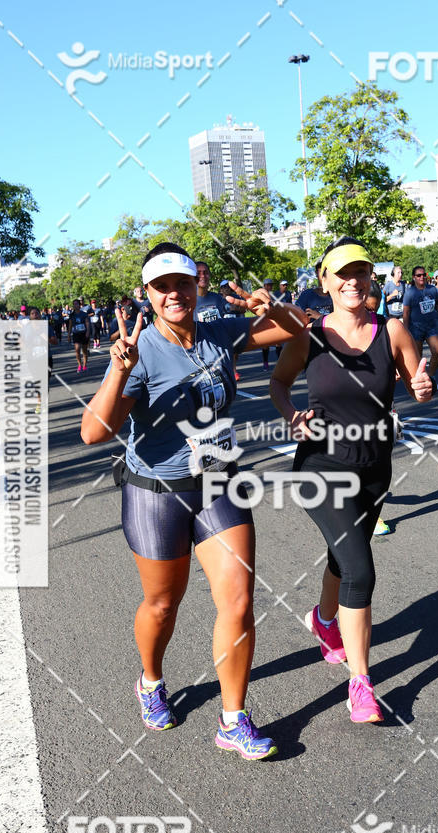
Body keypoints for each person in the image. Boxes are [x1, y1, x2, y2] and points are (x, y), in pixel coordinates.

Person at [80, 242, 308, 758]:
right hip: (156, 493)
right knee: (163, 604)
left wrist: (271, 307)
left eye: (182, 282)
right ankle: (151, 680)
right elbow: (93, 434)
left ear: (195, 284)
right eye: (162, 287)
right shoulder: (138, 354)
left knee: (239, 601)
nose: (174, 294)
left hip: (219, 482)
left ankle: (233, 719)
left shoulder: (219, 331)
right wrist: (119, 369)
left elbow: (299, 330)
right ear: (148, 295)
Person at [269, 237, 434, 724]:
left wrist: (424, 388)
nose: (352, 281)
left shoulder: (394, 330)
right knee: (360, 570)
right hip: (321, 466)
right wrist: (291, 417)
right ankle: (361, 685)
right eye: (341, 274)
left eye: (360, 272)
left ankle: (324, 619)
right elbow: (278, 383)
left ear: (371, 279)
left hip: (374, 467)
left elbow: (416, 385)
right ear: (325, 283)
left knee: (344, 558)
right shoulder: (309, 335)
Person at [402, 265, 438, 377]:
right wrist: (405, 330)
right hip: (415, 327)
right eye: (418, 275)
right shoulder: (410, 292)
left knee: (437, 351)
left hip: (431, 327)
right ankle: (419, 378)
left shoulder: (432, 289)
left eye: (423, 275)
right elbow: (406, 313)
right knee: (417, 356)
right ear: (413, 277)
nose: (422, 277)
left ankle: (430, 377)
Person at [67, 298, 90, 372]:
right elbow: (70, 325)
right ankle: (79, 365)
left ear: (79, 305)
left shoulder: (84, 314)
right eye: (74, 304)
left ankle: (85, 365)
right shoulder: (72, 315)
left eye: (76, 304)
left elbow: (87, 323)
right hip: (76, 334)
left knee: (84, 351)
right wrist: (69, 335)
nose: (75, 305)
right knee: (77, 350)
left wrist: (87, 332)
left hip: (83, 333)